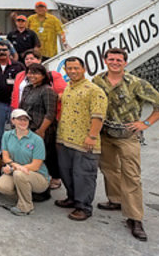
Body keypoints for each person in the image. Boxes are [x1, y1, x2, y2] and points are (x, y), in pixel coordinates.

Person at [91, 48, 159, 241]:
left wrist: (145, 123)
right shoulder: (97, 81)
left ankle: (135, 218)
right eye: (111, 59)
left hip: (128, 136)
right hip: (106, 134)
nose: (115, 62)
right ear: (105, 61)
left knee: (132, 176)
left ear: (125, 63)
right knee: (109, 169)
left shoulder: (136, 83)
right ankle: (116, 200)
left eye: (119, 60)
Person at [55, 57, 107, 221]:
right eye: (69, 68)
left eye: (76, 68)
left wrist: (92, 136)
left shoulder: (94, 90)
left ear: (84, 69)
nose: (72, 71)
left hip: (84, 141)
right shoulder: (69, 87)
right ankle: (72, 198)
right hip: (65, 139)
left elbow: (98, 116)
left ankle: (83, 207)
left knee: (83, 174)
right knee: (67, 172)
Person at [0, 108, 50, 216]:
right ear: (13, 121)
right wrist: (13, 166)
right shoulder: (7, 135)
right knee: (2, 186)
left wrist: (13, 168)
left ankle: (26, 207)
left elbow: (35, 166)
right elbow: (5, 158)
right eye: (19, 119)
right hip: (16, 170)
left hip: (38, 176)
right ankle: (24, 194)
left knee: (19, 174)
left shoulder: (36, 140)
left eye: (26, 119)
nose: (23, 122)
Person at [19, 63, 60, 191]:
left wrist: (41, 130)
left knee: (48, 154)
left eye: (36, 73)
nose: (32, 76)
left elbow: (50, 113)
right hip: (28, 128)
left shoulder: (47, 90)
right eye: (30, 72)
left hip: (44, 129)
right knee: (34, 155)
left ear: (43, 75)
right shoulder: (27, 88)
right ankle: (38, 178)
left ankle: (55, 178)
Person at [0, 41, 25, 144]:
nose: (2, 52)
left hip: (15, 104)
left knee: (16, 129)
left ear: (10, 51)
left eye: (4, 50)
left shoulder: (19, 66)